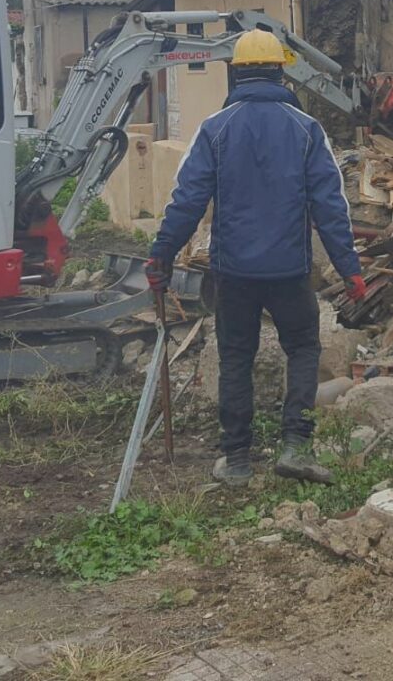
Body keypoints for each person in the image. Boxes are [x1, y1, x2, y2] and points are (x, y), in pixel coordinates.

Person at [145, 29, 366, 486]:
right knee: (303, 348)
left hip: (234, 273)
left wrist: (161, 257)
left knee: (236, 356)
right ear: (281, 71)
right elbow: (331, 207)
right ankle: (295, 447)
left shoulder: (214, 129)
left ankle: (238, 460)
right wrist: (350, 270)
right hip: (289, 271)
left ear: (236, 71)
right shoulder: (308, 130)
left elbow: (185, 201)